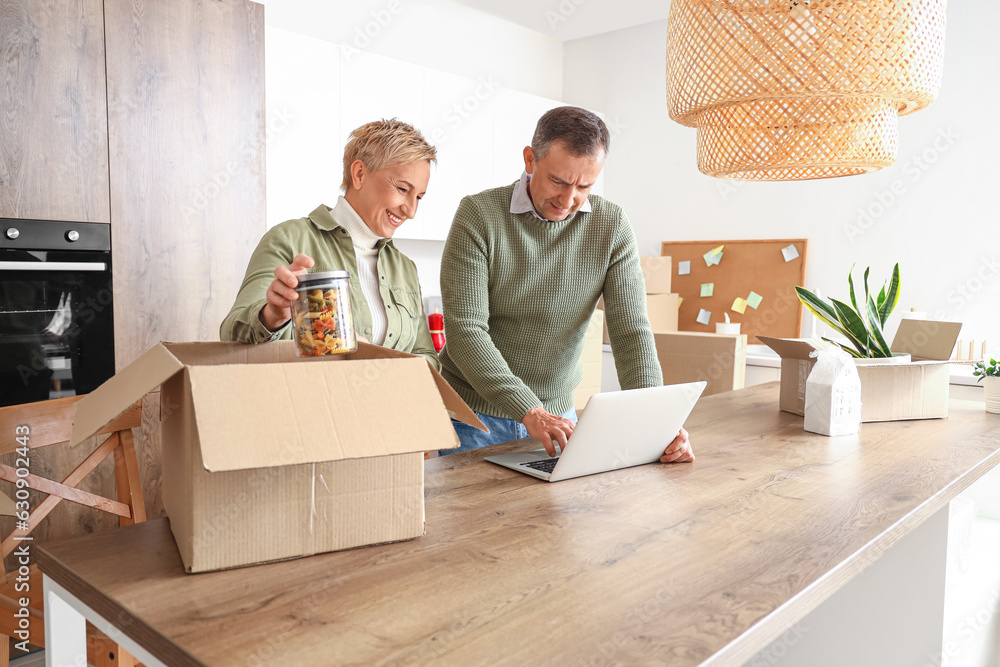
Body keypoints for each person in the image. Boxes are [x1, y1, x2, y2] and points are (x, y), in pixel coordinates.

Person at [439, 106, 693, 463]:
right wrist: (529, 410)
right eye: (558, 181)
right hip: (471, 419)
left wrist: (657, 420)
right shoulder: (479, 215)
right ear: (530, 160)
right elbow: (467, 332)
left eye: (585, 186)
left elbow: (631, 332)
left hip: (559, 421)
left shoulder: (612, 225)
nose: (568, 199)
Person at [221, 119, 439, 369]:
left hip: (385, 406)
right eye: (402, 189)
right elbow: (231, 335)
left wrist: (381, 365)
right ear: (359, 174)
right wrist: (273, 315)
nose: (411, 211)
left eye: (419, 197)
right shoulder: (289, 239)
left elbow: (427, 356)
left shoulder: (404, 267)